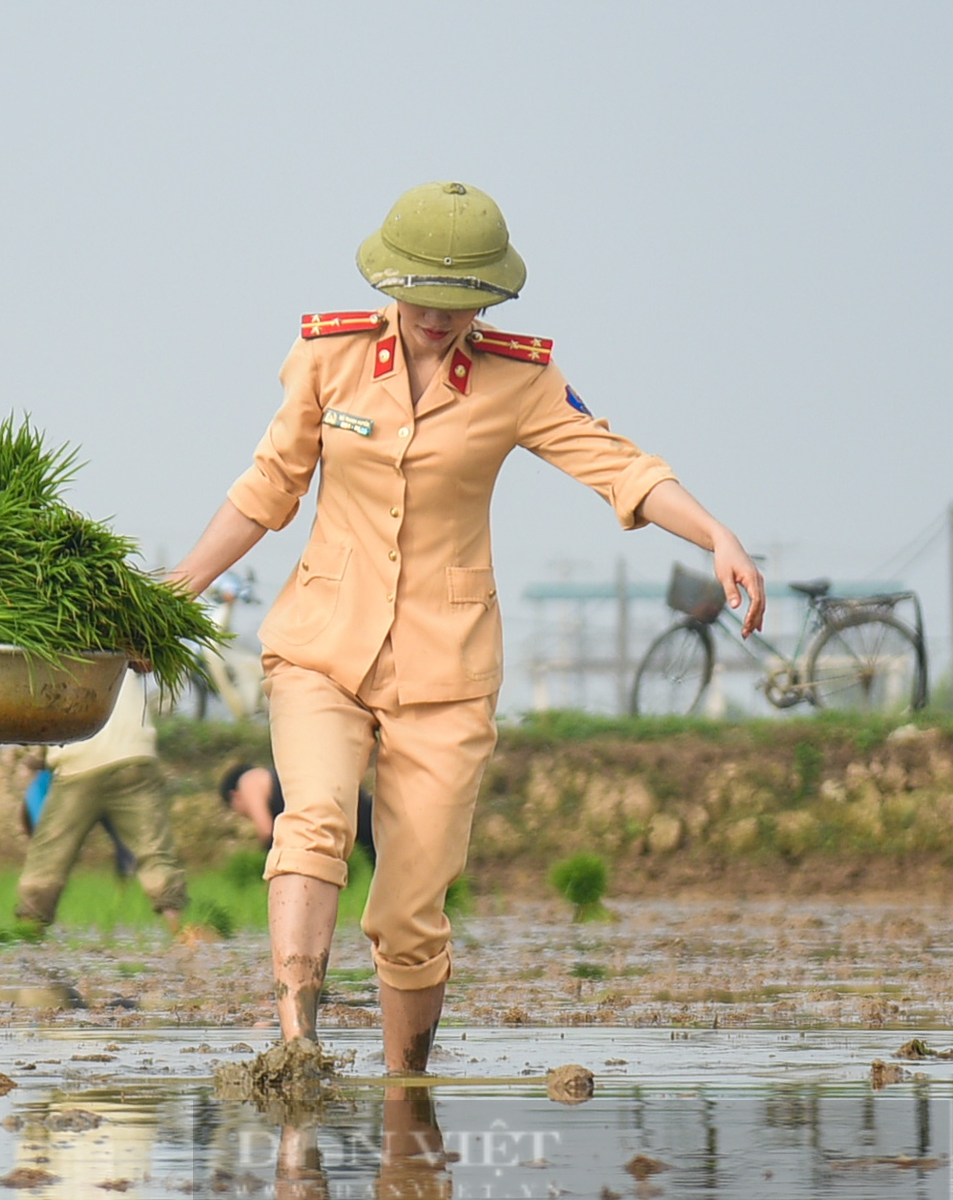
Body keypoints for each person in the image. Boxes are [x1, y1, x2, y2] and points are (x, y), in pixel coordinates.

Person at [169, 181, 764, 1073]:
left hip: (445, 674)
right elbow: (266, 491)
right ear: (388, 281)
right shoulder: (327, 359)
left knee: (411, 910)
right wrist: (177, 588)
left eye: (463, 303)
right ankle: (297, 1047)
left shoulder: (519, 378)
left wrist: (715, 531)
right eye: (422, 299)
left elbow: (619, 466)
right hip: (321, 647)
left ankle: (409, 1090)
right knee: (314, 824)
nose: (439, 319)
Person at [13, 670, 188, 933]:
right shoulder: (119, 647)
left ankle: (29, 933)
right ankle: (179, 932)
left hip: (78, 763)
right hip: (135, 755)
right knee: (155, 852)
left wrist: (32, 759)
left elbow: (38, 731)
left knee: (48, 857)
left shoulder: (46, 662)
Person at [219, 763, 376, 867]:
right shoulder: (270, 777)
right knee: (378, 845)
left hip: (323, 795)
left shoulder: (248, 780)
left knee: (380, 848)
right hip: (334, 789)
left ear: (234, 795)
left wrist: (274, 868)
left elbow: (266, 830)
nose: (242, 814)